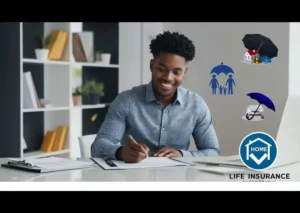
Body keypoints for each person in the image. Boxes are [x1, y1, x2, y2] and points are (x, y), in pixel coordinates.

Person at [91, 31, 220, 163]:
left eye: (176, 72)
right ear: (152, 65)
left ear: (184, 72)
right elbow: (98, 147)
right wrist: (120, 152)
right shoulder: (126, 101)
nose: (168, 77)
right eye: (161, 69)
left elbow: (212, 151)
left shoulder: (196, 105)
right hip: (134, 178)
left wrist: (181, 155)